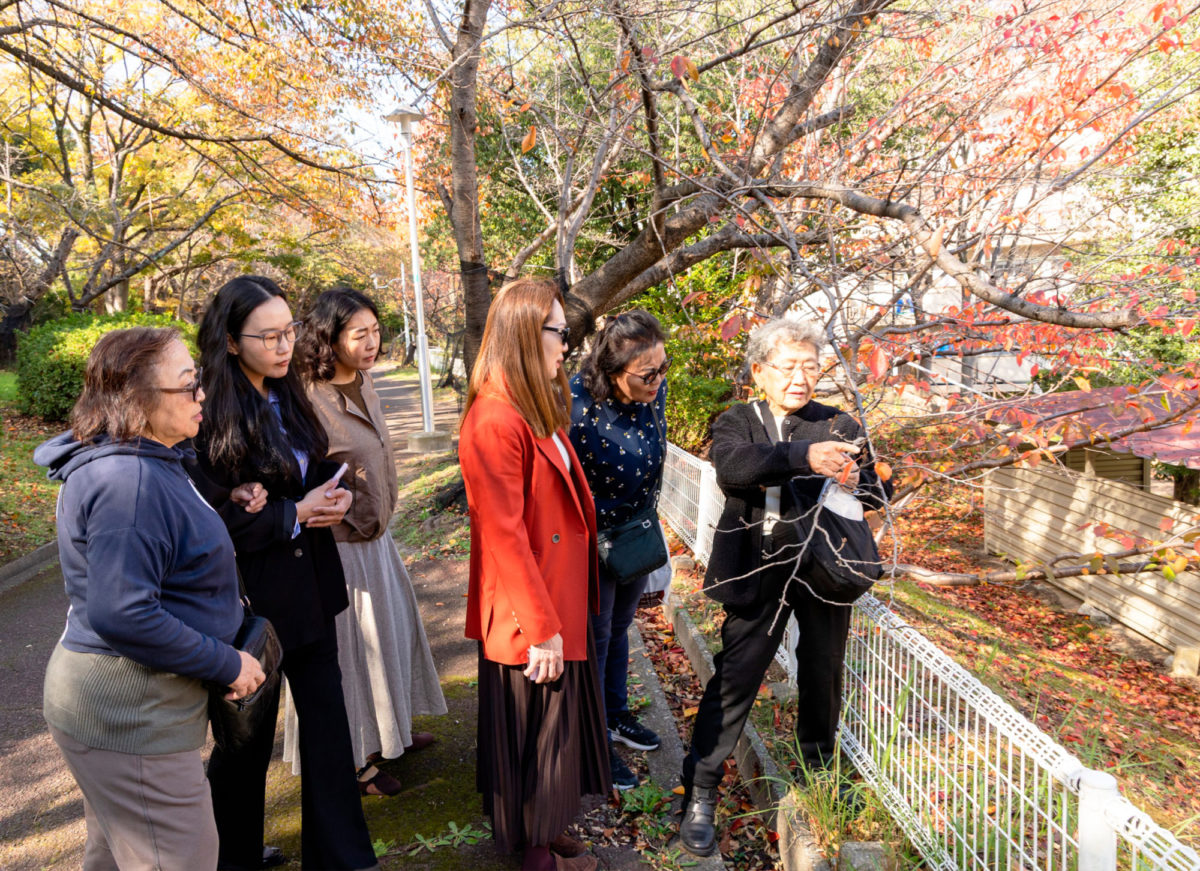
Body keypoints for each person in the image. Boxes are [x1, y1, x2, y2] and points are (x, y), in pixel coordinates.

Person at [34, 327, 266, 870]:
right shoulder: (127, 481)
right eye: (187, 385)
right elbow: (123, 613)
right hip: (130, 715)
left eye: (199, 380)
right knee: (180, 858)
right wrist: (226, 661)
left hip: (127, 708)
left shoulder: (147, 457)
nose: (202, 394)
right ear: (135, 401)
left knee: (116, 856)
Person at [677, 317, 890, 857]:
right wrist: (804, 458)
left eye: (811, 366)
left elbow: (879, 494)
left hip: (821, 575)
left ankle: (823, 780)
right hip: (757, 572)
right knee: (736, 679)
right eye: (788, 366)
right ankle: (701, 790)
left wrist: (865, 481)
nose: (801, 377)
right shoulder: (737, 421)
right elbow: (733, 469)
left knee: (823, 676)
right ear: (760, 372)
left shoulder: (836, 421)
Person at [189, 275, 379, 871]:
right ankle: (231, 855)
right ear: (228, 340)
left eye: (288, 332)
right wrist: (289, 513)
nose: (283, 346)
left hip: (313, 585)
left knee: (328, 729)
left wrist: (333, 496)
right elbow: (210, 522)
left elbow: (309, 464)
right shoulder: (207, 414)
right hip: (252, 604)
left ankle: (344, 857)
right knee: (245, 745)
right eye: (267, 336)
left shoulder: (288, 391)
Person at [459, 278, 610, 871]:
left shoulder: (531, 404)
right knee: (536, 735)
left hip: (553, 595)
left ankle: (546, 830)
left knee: (555, 731)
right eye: (558, 332)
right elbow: (503, 534)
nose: (566, 345)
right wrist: (540, 627)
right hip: (532, 610)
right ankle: (534, 851)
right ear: (526, 334)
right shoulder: (495, 418)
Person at [289, 286, 447, 796]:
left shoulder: (365, 381)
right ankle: (353, 762)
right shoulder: (306, 399)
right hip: (337, 546)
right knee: (351, 655)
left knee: (390, 639)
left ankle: (390, 732)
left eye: (376, 331)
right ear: (328, 338)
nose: (372, 342)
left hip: (376, 536)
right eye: (359, 334)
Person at [567, 310, 669, 790]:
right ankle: (592, 741)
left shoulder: (655, 392)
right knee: (597, 635)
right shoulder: (574, 403)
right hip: (588, 540)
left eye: (663, 369)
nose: (658, 381)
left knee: (622, 627)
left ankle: (615, 713)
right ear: (611, 372)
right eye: (647, 374)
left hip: (633, 534)